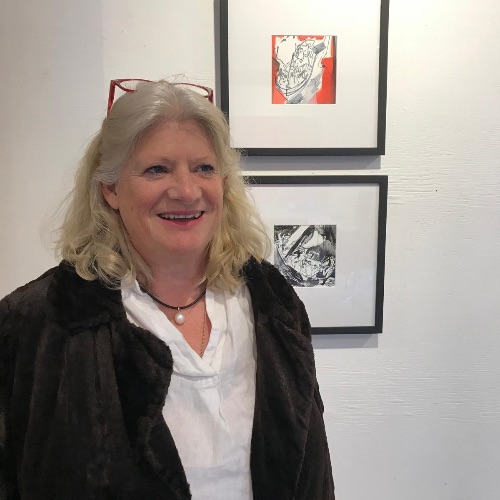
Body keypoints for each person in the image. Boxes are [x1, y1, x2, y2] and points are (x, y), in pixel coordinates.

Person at [0, 79, 335, 499]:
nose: (187, 191)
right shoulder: (39, 322)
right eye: (157, 169)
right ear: (110, 188)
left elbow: (313, 470)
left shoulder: (273, 302)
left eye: (204, 168)